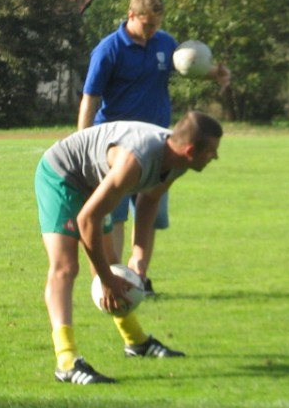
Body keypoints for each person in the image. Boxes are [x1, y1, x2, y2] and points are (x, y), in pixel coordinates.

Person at [36, 110, 224, 385]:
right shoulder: (136, 159)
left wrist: (138, 253)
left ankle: (136, 343)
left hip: (93, 180)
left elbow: (149, 199)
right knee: (66, 266)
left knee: (112, 264)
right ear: (191, 150)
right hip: (62, 173)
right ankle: (66, 361)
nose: (215, 158)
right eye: (212, 152)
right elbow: (87, 219)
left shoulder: (179, 162)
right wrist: (105, 280)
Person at [78, 0, 230, 295]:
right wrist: (83, 142)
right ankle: (117, 280)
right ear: (131, 15)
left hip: (160, 148)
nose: (153, 31)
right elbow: (90, 98)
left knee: (149, 210)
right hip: (117, 150)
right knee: (115, 216)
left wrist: (214, 74)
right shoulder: (108, 49)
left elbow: (188, 69)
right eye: (148, 24)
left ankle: (139, 278)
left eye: (157, 24)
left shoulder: (165, 43)